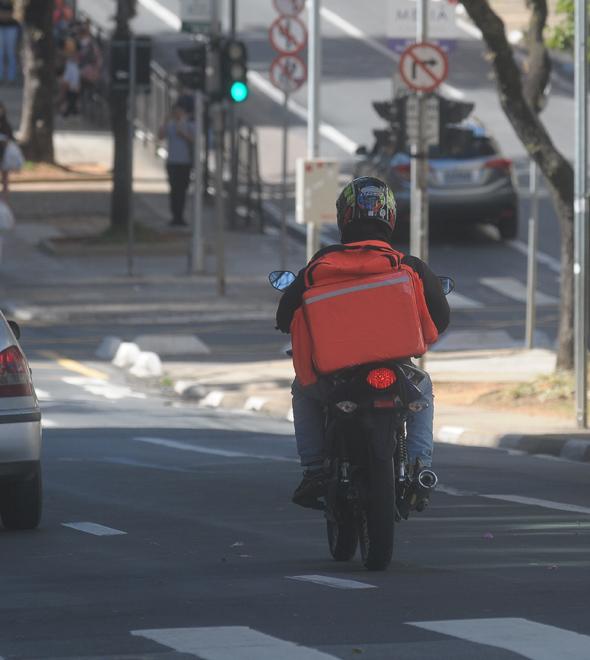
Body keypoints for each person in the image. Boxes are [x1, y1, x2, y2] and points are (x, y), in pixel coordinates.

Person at [276, 176, 450, 508]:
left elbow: (285, 316)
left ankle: (313, 471)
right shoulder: (409, 266)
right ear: (390, 217)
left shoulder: (319, 265)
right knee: (422, 389)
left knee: (303, 388)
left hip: (334, 376)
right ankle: (419, 469)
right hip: (395, 371)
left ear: (344, 216)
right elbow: (440, 320)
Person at [158, 103, 195, 227]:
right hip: (172, 162)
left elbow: (193, 140)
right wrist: (165, 121)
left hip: (185, 162)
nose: (177, 115)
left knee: (182, 190)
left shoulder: (189, 125)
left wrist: (182, 130)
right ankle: (175, 216)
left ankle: (180, 216)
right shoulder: (170, 125)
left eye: (180, 112)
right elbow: (160, 136)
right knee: (174, 190)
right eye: (175, 112)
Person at [0, 0, 19, 85]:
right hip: (1, 27)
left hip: (12, 27)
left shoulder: (13, 2)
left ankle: (11, 78)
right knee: (0, 53)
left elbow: (17, 14)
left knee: (10, 53)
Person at [0, 101, 15, 195]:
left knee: (5, 173)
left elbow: (11, 137)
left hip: (3, 151)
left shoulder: (5, 124)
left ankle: (5, 190)